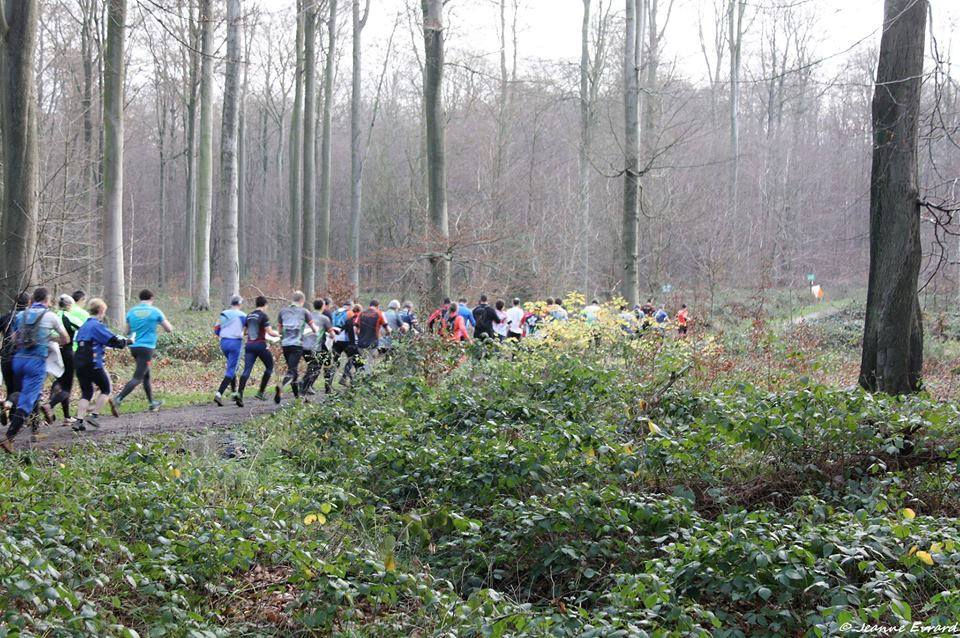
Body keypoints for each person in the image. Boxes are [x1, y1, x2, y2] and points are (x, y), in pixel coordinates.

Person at [1, 288, 70, 453]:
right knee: (27, 400)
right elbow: (65, 338)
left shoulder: (20, 316)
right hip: (36, 362)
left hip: (18, 360)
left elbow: (16, 338)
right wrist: (49, 339)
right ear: (47, 300)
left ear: (33, 300)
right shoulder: (51, 316)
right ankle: (9, 438)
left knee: (27, 392)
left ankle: (34, 429)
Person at [72, 298, 128, 431]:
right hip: (92, 362)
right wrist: (126, 342)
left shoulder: (84, 325)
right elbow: (112, 339)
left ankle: (78, 421)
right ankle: (94, 415)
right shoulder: (96, 325)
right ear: (101, 310)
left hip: (79, 362)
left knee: (86, 392)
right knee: (106, 388)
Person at [115, 289, 173, 412]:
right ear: (151, 298)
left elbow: (126, 332)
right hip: (147, 348)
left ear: (140, 298)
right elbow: (169, 329)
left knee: (146, 375)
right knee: (138, 377)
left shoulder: (131, 312)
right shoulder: (155, 311)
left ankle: (152, 402)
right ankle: (118, 398)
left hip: (134, 347)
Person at [44, 294, 84, 425]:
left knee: (59, 380)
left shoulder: (53, 315)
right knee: (67, 387)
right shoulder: (68, 317)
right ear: (69, 305)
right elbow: (84, 327)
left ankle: (66, 417)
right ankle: (50, 405)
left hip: (53, 352)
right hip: (67, 352)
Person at [275, 290, 316, 403]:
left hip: (285, 345)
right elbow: (314, 329)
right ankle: (281, 386)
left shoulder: (282, 311)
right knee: (292, 371)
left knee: (294, 371)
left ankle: (299, 398)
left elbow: (279, 330)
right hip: (297, 345)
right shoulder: (304, 311)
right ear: (302, 300)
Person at [236, 296, 278, 406]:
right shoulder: (263, 316)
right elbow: (270, 332)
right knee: (269, 367)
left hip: (249, 346)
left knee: (246, 370)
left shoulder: (249, 316)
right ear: (265, 305)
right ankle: (260, 392)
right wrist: (279, 334)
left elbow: (244, 332)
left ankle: (239, 394)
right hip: (260, 345)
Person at [213, 296, 246, 406]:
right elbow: (248, 330)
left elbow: (216, 329)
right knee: (231, 369)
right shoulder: (243, 315)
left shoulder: (223, 313)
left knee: (232, 368)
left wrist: (222, 336)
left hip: (224, 343)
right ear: (240, 304)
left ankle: (235, 395)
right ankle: (219, 393)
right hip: (235, 343)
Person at [0, 293, 30, 406]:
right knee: (20, 389)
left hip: (6, 357)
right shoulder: (28, 318)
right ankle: (15, 415)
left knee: (10, 388)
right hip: (21, 357)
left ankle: (9, 411)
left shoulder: (6, 317)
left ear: (15, 302)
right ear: (29, 303)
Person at [301, 299, 335, 396]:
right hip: (316, 346)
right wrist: (333, 337)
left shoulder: (307, 316)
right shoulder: (324, 318)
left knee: (313, 366)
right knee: (324, 366)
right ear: (323, 306)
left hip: (303, 346)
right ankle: (326, 388)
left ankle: (306, 386)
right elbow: (332, 334)